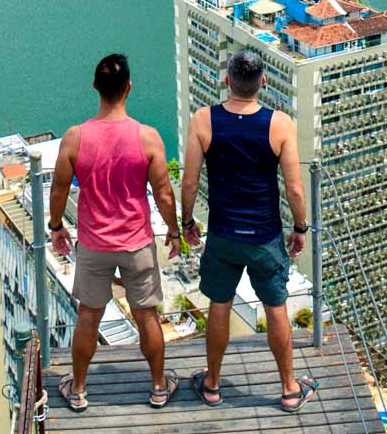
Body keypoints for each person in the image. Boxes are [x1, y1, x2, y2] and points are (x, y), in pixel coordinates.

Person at [181, 47, 318, 413]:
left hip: (224, 235)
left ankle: (211, 385)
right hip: (265, 236)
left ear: (227, 80)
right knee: (276, 306)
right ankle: (289, 390)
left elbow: (190, 181)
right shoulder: (280, 124)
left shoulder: (203, 121)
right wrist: (300, 228)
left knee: (219, 305)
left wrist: (187, 221)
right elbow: (294, 189)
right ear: (263, 82)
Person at [49, 53, 181, 412]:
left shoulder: (75, 137)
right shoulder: (148, 137)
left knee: (88, 316)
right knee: (146, 316)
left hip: (94, 244)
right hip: (136, 241)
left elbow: (59, 190)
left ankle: (77, 390)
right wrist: (173, 230)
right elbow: (164, 192)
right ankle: (157, 387)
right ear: (129, 88)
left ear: (95, 87)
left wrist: (56, 226)